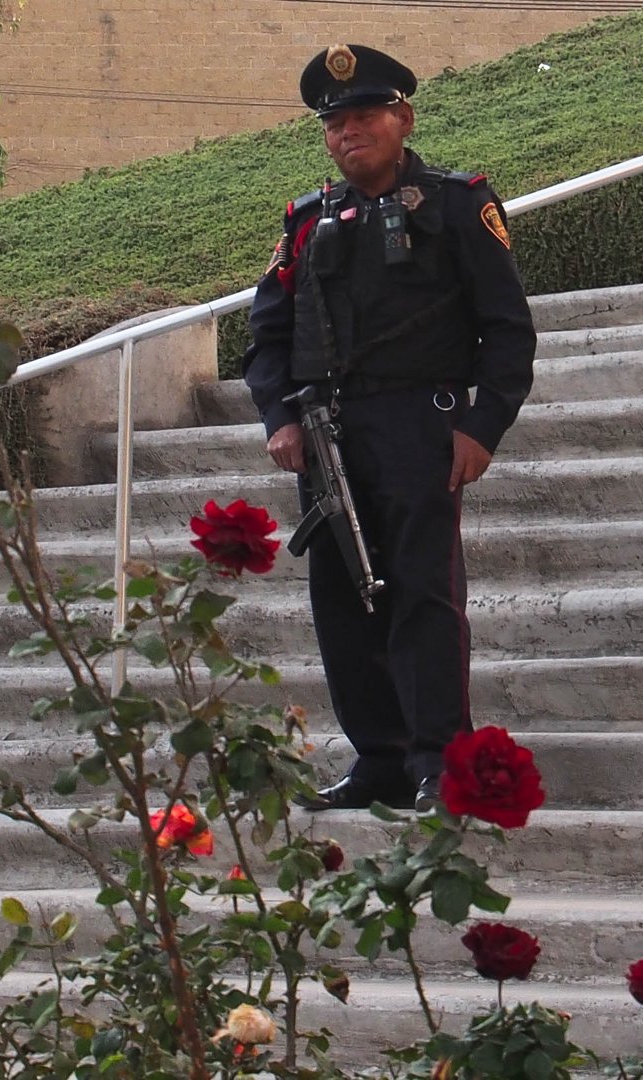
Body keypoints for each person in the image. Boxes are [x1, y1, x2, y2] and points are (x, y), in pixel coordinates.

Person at [243, 44, 536, 812]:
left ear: (403, 117)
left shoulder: (457, 204)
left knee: (424, 598)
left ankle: (440, 763)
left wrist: (482, 428)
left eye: (365, 116)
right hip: (327, 434)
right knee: (342, 605)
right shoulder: (306, 222)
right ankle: (379, 759)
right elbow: (265, 341)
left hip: (422, 425)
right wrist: (279, 418)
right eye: (334, 124)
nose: (348, 133)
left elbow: (507, 333)